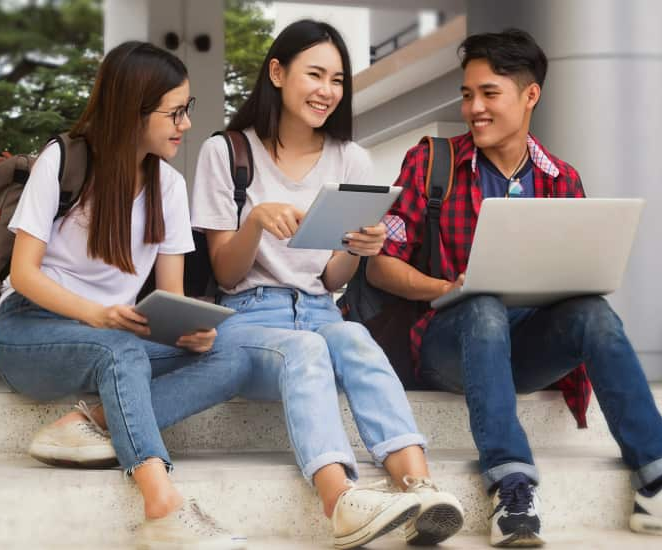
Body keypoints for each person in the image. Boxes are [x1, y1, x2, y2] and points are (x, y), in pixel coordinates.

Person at [366, 28, 662, 548]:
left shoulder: (562, 180)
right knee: (481, 305)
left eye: (489, 94)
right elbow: (380, 267)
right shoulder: (432, 163)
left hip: (527, 350)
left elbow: (579, 285)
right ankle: (511, 484)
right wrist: (450, 286)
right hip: (446, 343)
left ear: (530, 96)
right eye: (467, 94)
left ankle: (658, 483)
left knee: (593, 312)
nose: (473, 108)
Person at [190, 19, 465, 550]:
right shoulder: (226, 153)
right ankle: (339, 501)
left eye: (337, 80)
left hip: (319, 309)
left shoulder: (350, 159)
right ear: (277, 72)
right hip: (249, 318)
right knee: (308, 352)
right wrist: (255, 222)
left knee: (356, 339)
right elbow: (225, 273)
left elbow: (332, 277)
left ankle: (418, 485)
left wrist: (357, 251)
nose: (327, 92)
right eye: (315, 74)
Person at [0, 41, 248, 549]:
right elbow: (24, 273)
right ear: (134, 111)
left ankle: (87, 424)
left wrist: (188, 331)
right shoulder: (62, 160)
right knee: (121, 351)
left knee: (234, 352)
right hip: (29, 327)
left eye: (187, 110)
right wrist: (99, 315)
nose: (186, 124)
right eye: (174, 112)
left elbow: (171, 295)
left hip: (114, 329)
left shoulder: (168, 187)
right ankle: (163, 507)